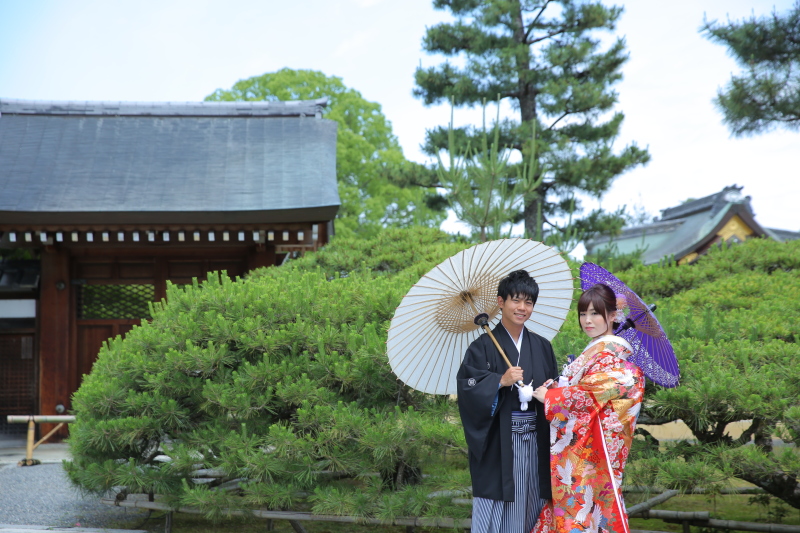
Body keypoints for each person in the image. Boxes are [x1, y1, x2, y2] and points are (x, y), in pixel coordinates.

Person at [531, 283, 644, 533]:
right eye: (583, 313)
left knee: (587, 509)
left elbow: (588, 394)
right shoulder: (598, 353)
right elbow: (582, 387)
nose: (587, 320)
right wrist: (558, 384)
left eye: (595, 313)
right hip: (582, 449)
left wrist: (550, 396)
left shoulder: (613, 359)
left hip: (594, 452)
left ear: (613, 316)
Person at [457, 269, 559, 533]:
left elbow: (555, 390)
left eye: (528, 302)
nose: (522, 308)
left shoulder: (542, 346)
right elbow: (467, 390)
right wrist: (500, 381)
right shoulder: (481, 348)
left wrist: (547, 392)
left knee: (532, 499)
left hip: (536, 440)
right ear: (501, 303)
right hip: (500, 443)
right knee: (499, 504)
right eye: (516, 300)